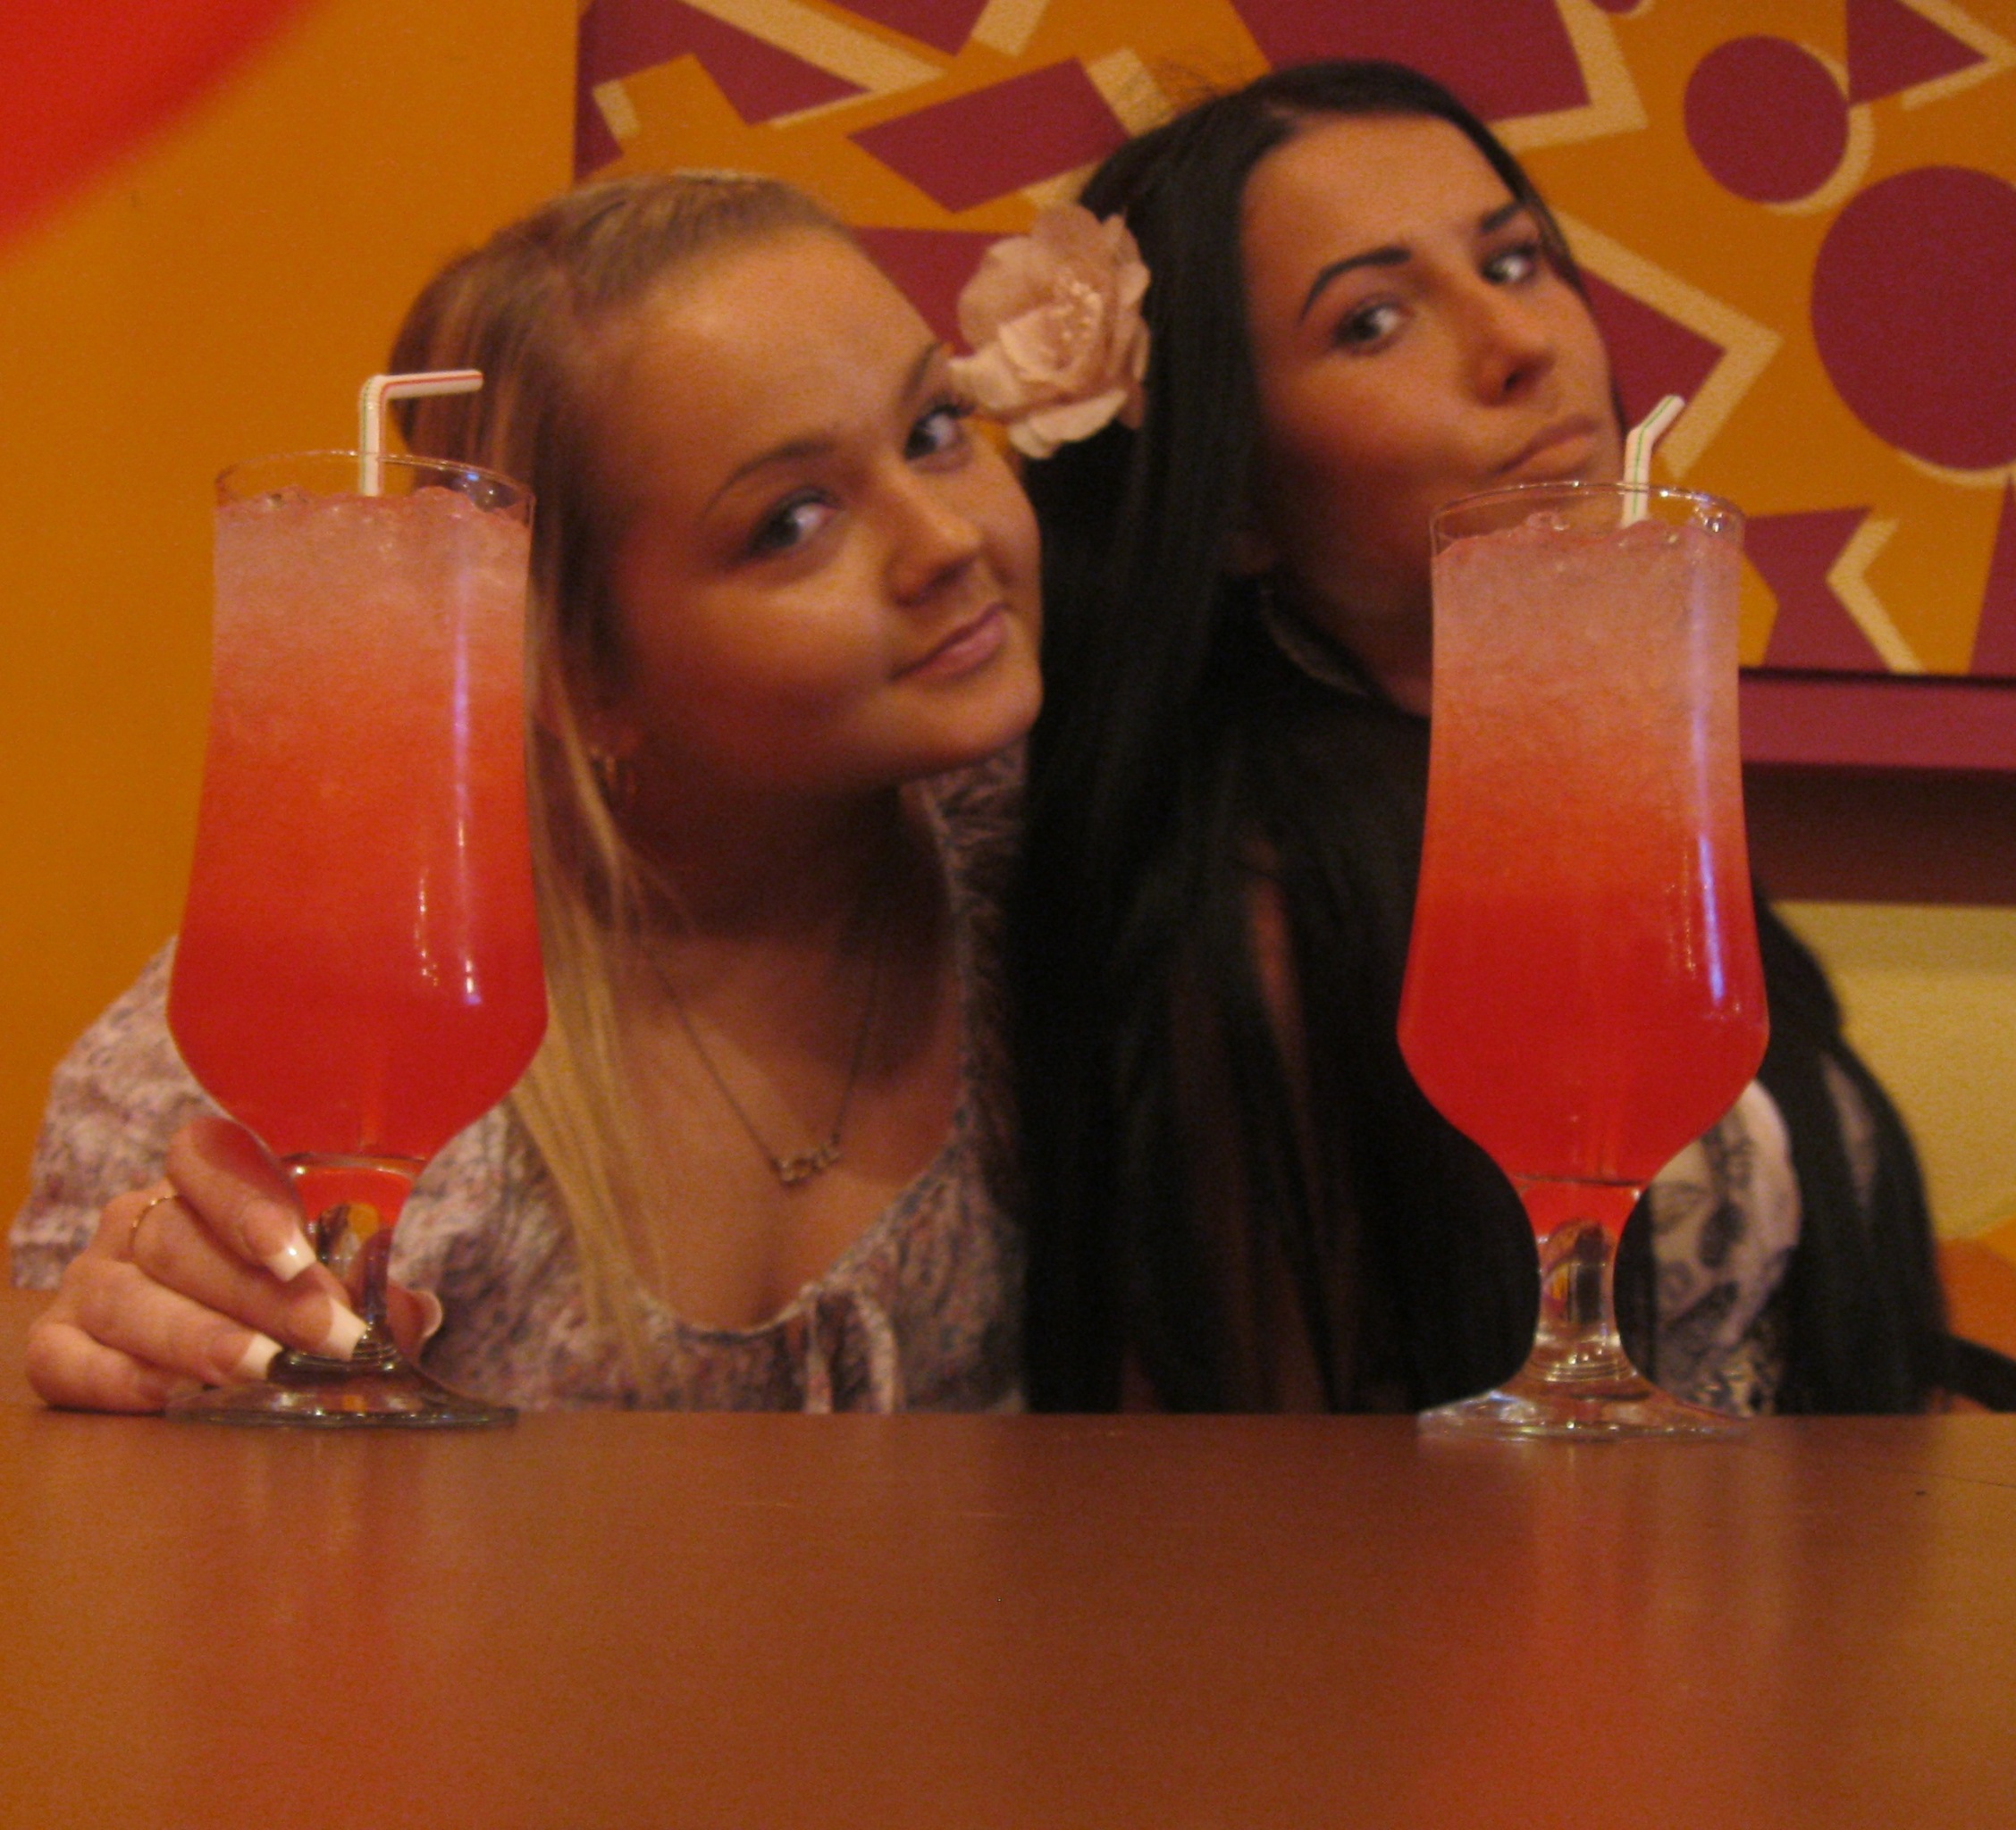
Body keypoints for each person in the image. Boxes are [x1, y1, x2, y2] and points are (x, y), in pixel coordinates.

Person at [998, 61, 1946, 1414]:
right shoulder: (1264, 920)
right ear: (1233, 501)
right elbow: (1262, 1487)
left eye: (1514, 261)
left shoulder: (1621, 803)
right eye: (1373, 321)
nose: (1520, 344)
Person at [13, 173, 1043, 1413]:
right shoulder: (342, 1036)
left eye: (934, 429)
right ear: (573, 672)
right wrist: (121, 1353)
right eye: (793, 521)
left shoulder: (1069, 860)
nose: (946, 541)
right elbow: (59, 1420)